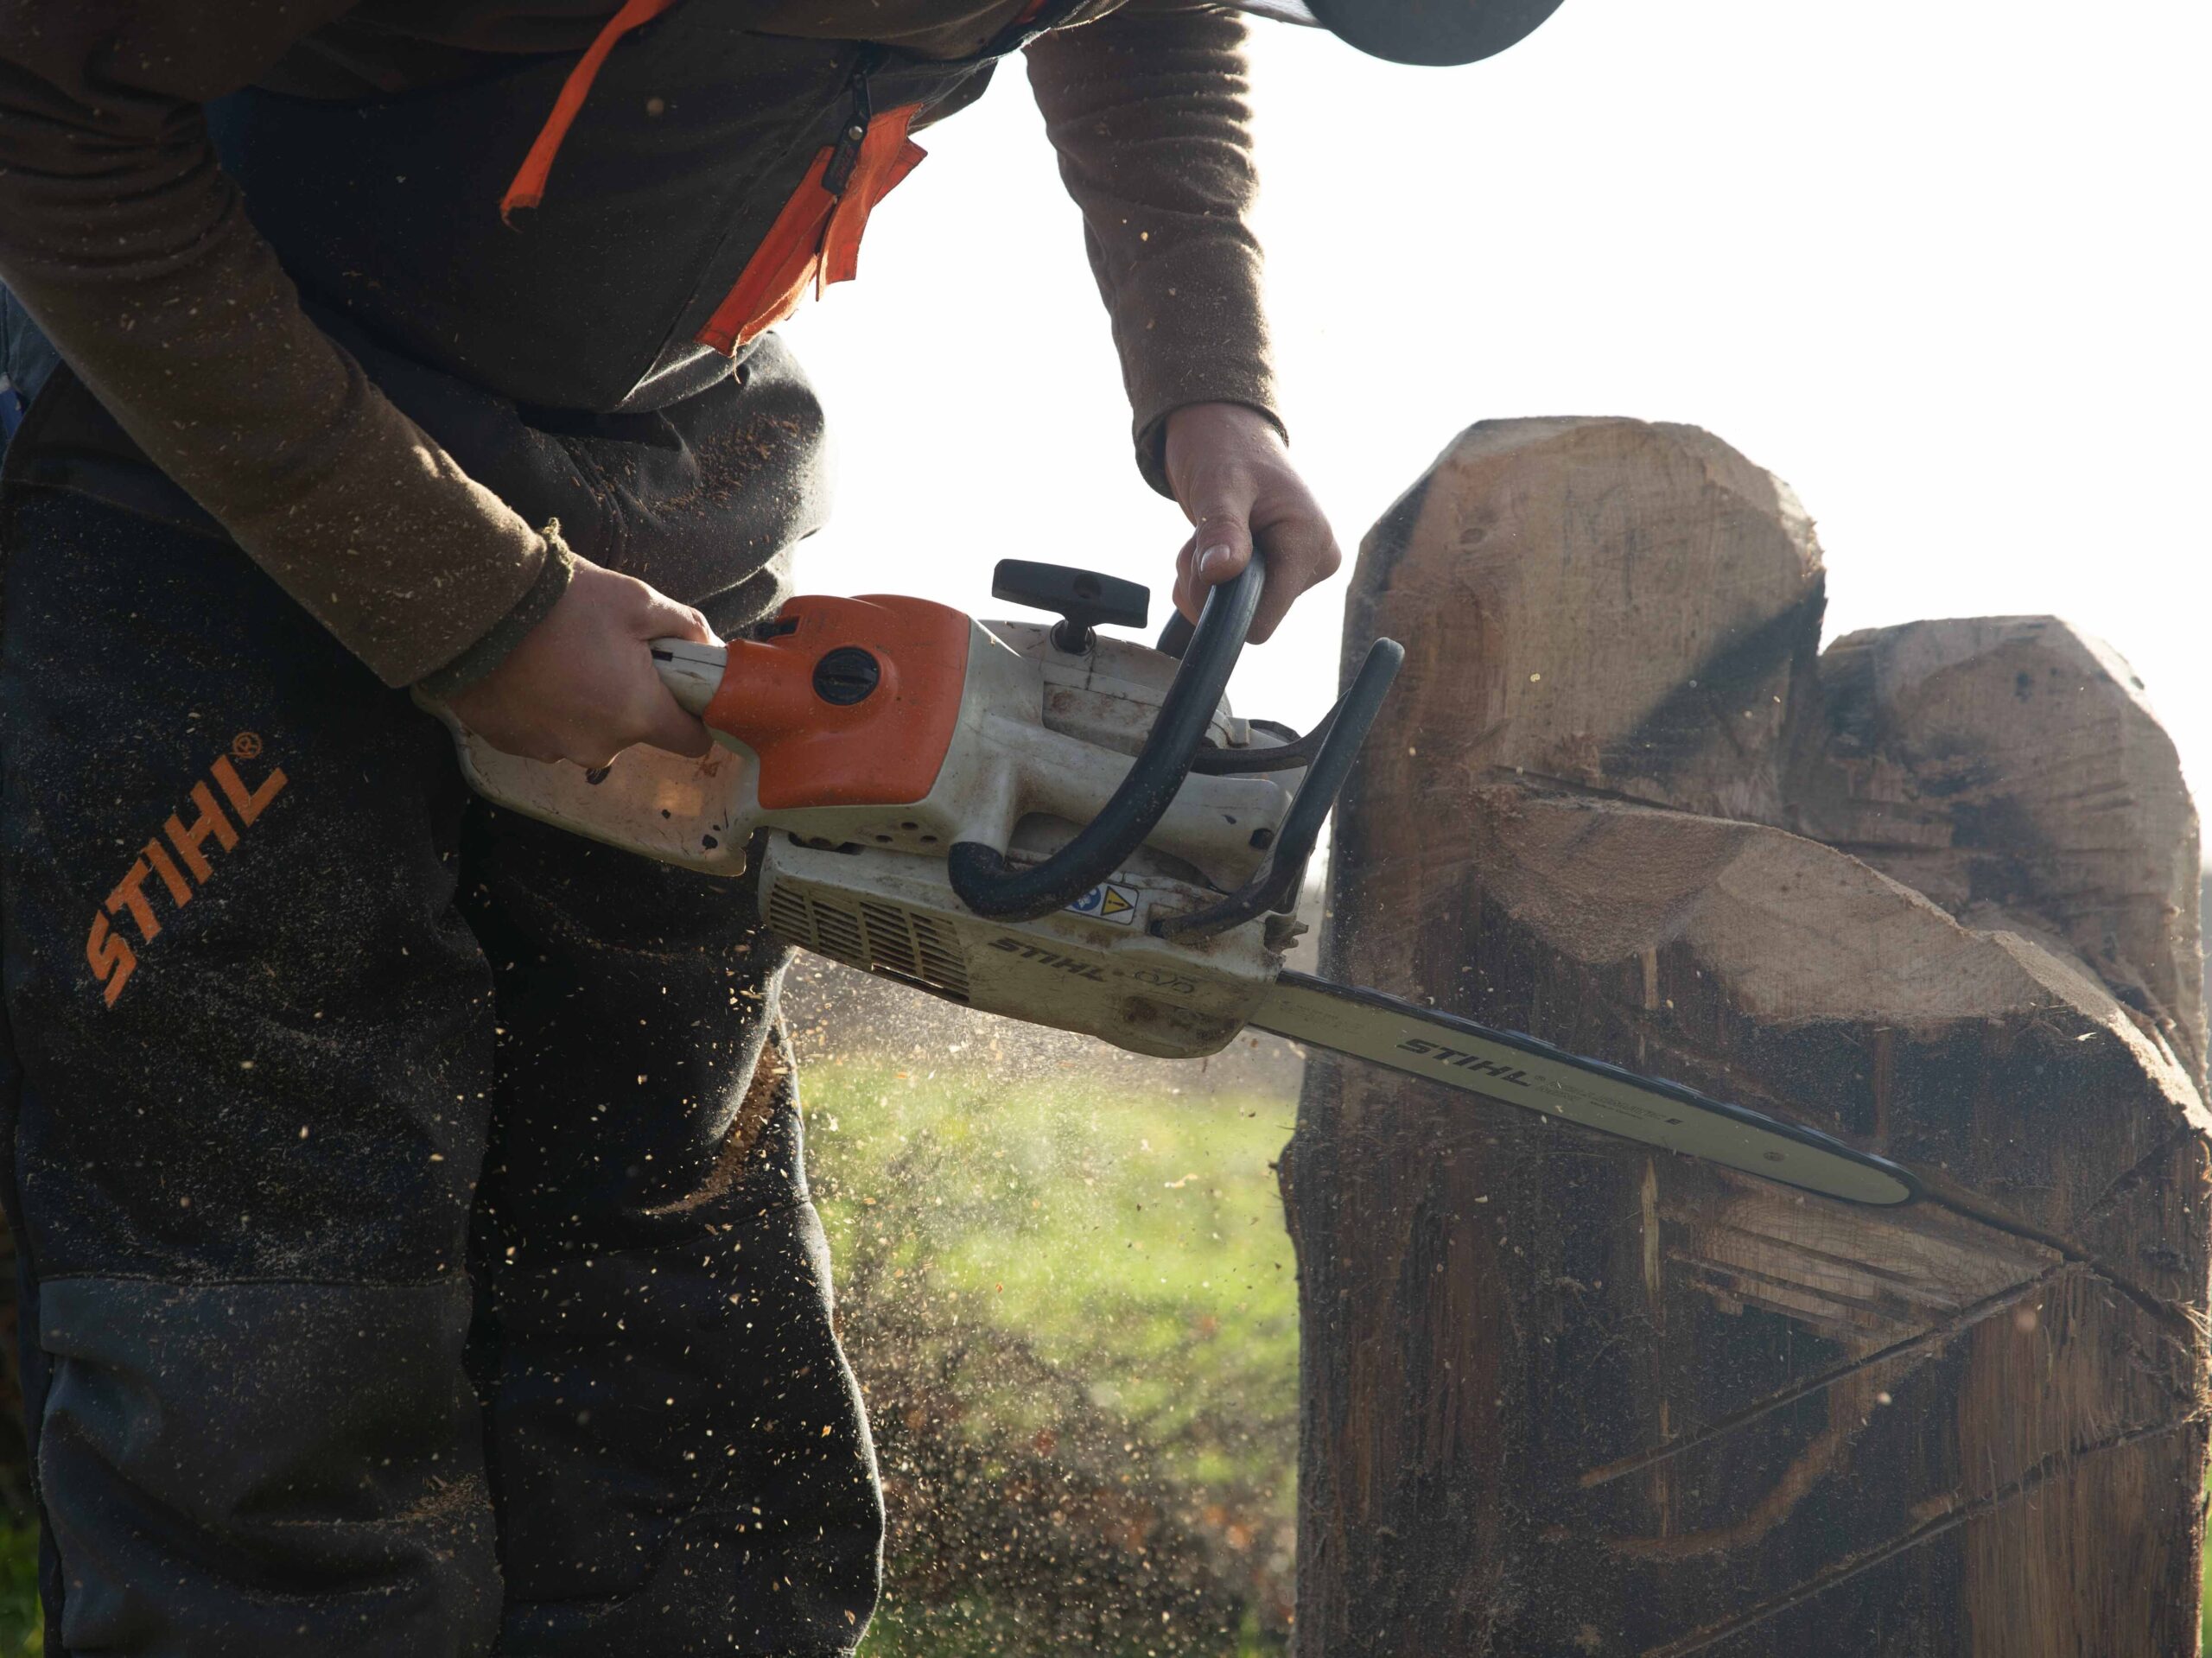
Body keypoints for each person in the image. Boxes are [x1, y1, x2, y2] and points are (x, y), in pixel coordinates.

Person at [0, 1, 1559, 1651]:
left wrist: (1207, 379)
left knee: (680, 1312)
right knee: (278, 1334)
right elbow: (36, 110)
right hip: (197, 456)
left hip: (666, 464)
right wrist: (467, 603)